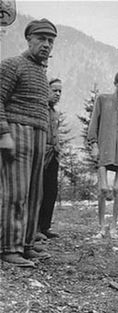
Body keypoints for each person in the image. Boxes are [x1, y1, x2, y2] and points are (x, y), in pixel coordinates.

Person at [0, 18, 57, 267]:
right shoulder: (12, 65)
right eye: (41, 39)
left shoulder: (42, 74)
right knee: (16, 193)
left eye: (50, 41)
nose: (46, 45)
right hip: (16, 133)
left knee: (36, 193)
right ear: (29, 39)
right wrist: (3, 134)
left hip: (39, 137)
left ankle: (27, 244)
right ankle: (8, 248)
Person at [87, 71, 118, 239]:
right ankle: (101, 227)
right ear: (115, 83)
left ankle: (114, 227)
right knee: (102, 189)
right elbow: (94, 122)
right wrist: (93, 144)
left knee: (117, 189)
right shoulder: (102, 99)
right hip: (105, 147)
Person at [36, 78, 62, 240]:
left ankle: (45, 227)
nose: (58, 94)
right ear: (46, 90)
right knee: (38, 191)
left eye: (60, 91)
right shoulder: (39, 109)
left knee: (51, 191)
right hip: (40, 155)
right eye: (55, 90)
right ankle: (35, 227)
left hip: (54, 155)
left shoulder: (55, 112)